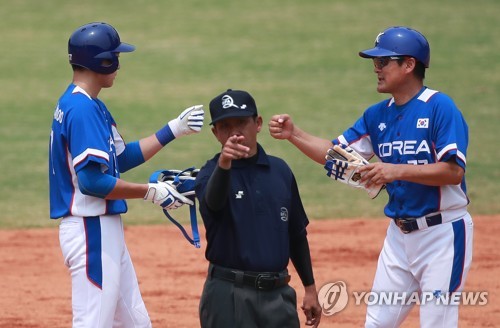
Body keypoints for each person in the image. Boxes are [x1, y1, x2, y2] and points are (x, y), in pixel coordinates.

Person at [268, 26, 473, 327]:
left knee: (437, 322)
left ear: (409, 64)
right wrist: (294, 134)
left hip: (443, 235)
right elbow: (337, 153)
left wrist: (394, 171)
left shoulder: (440, 108)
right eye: (374, 63)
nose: (375, 69)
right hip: (399, 238)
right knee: (376, 323)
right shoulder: (377, 116)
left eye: (382, 62)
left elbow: (454, 172)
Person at [48, 22, 205, 327]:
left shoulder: (86, 104)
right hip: (90, 229)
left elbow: (119, 159)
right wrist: (150, 192)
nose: (119, 66)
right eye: (115, 58)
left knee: (135, 322)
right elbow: (93, 182)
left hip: (102, 229)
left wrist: (173, 129)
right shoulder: (81, 110)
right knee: (94, 323)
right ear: (102, 61)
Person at [194, 89, 322, 328]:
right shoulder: (210, 174)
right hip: (228, 296)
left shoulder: (280, 171)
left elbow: (296, 234)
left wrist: (310, 287)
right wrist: (224, 163)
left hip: (279, 296)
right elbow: (213, 204)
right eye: (225, 126)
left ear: (258, 123)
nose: (235, 132)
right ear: (215, 133)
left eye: (241, 122)